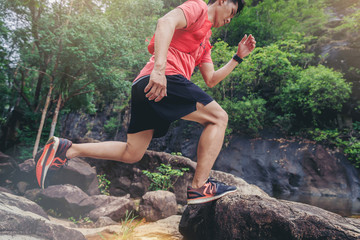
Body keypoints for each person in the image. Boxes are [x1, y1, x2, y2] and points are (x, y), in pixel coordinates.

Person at [35, 0, 256, 205]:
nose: (230, 19)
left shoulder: (205, 43)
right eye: (232, 12)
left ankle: (67, 150)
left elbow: (211, 79)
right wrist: (159, 69)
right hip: (162, 78)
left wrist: (238, 57)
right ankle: (200, 187)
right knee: (219, 117)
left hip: (145, 85)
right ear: (221, 1)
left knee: (133, 153)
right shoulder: (197, 7)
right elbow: (165, 22)